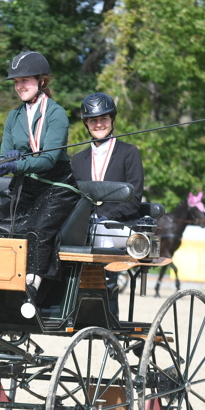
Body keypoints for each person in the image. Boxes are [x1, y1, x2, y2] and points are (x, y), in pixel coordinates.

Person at [0, 51, 79, 309]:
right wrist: (2, 165)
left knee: (37, 228)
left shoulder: (56, 114)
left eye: (25, 80)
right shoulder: (13, 116)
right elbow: (4, 154)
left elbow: (48, 160)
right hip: (26, 184)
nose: (20, 86)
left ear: (42, 81)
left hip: (57, 185)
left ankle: (31, 288)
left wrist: (17, 163)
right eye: (16, 82)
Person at [70, 92, 145, 317]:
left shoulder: (129, 153)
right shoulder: (78, 159)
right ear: (86, 123)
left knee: (101, 238)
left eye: (103, 118)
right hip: (86, 226)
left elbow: (134, 199)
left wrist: (106, 216)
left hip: (118, 225)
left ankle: (108, 310)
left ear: (112, 120)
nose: (99, 124)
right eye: (93, 120)